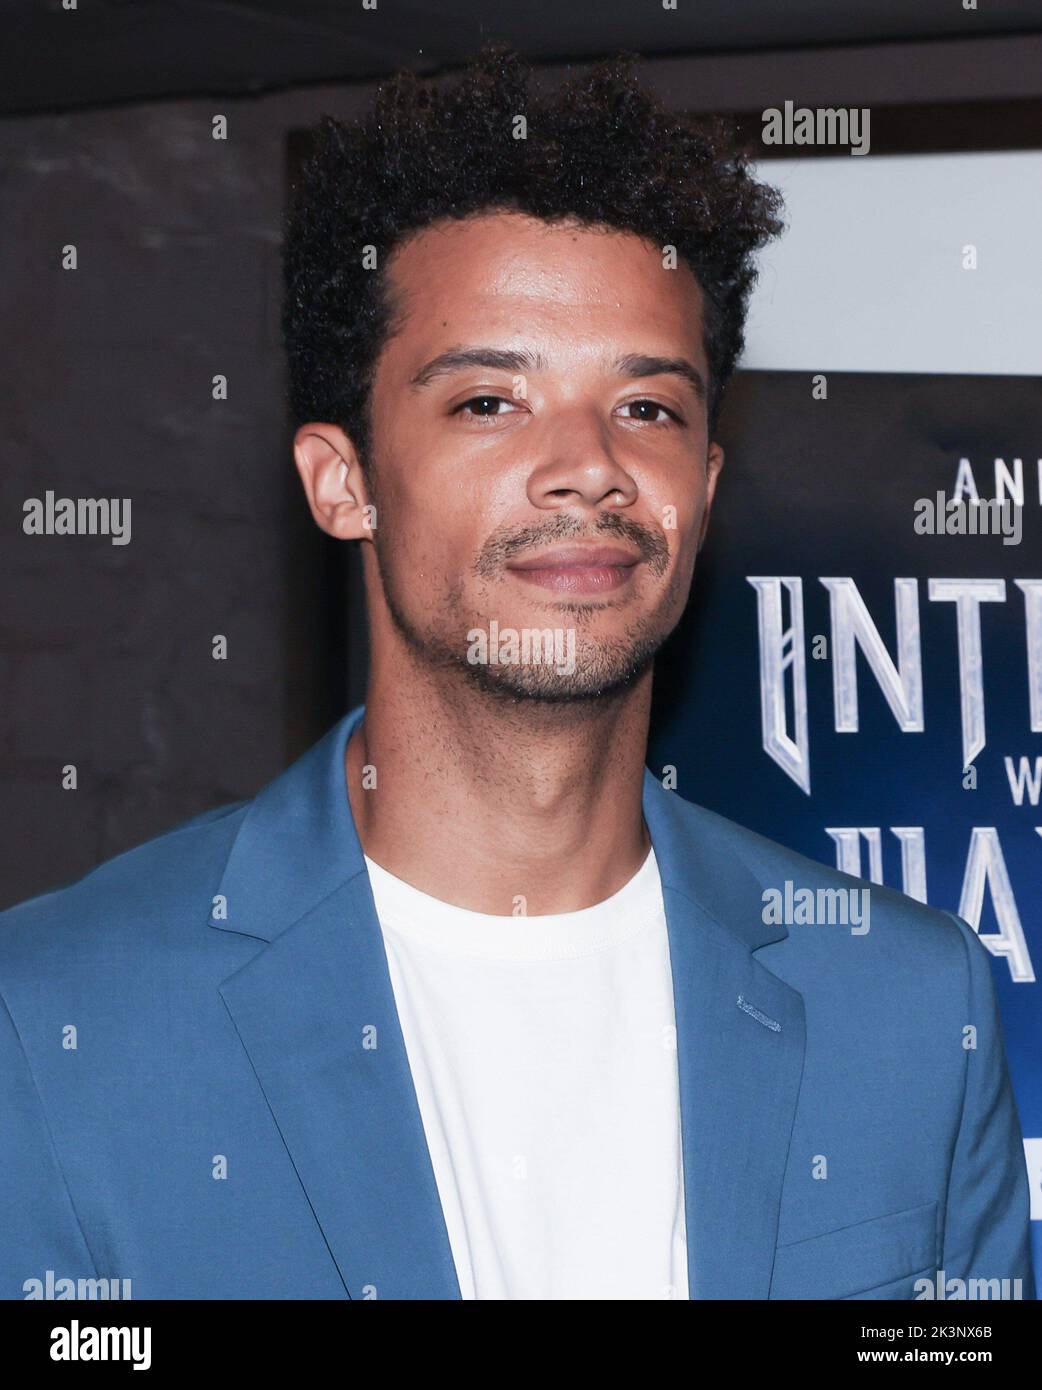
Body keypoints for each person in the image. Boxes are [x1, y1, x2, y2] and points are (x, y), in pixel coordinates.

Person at [0, 48, 1033, 1301]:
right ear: (345, 483)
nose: (588, 463)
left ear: (703, 490)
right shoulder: (59, 1022)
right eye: (491, 401)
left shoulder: (909, 1010)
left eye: (646, 406)